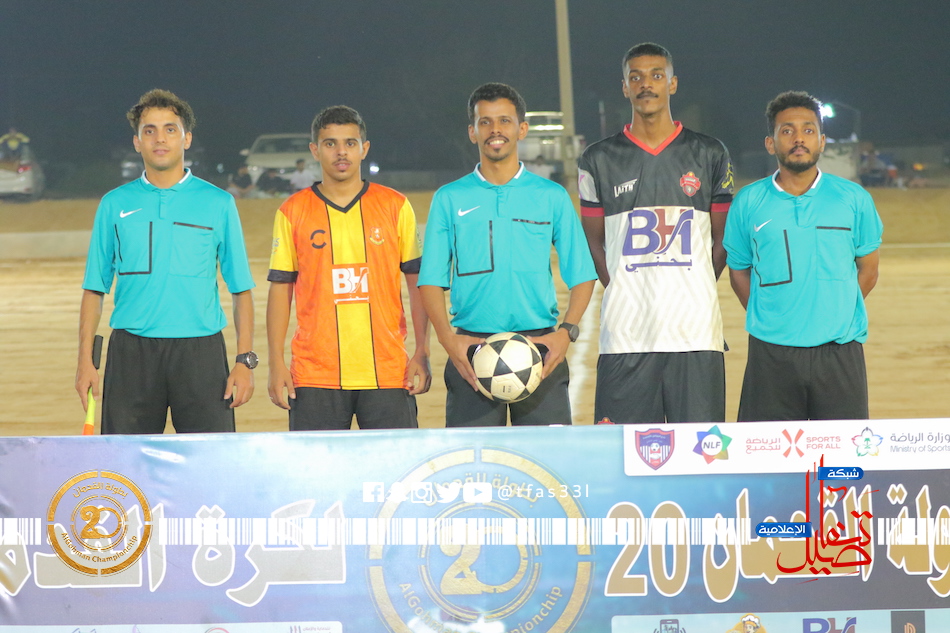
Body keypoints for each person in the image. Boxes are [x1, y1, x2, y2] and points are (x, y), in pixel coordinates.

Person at [75, 89, 256, 434]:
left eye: (170, 129)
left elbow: (241, 290)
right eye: (150, 130)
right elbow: (94, 289)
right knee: (127, 463)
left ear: (187, 139)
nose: (160, 138)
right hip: (131, 354)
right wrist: (85, 361)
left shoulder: (218, 203)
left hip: (201, 352)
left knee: (208, 462)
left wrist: (244, 361)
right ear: (137, 142)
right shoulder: (114, 204)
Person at [418, 83, 596, 427]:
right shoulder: (449, 198)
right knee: (475, 458)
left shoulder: (551, 196)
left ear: (522, 129)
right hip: (472, 351)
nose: (495, 130)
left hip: (540, 349)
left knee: (546, 457)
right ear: (472, 132)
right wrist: (448, 340)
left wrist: (566, 333)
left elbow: (583, 274)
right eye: (484, 122)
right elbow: (430, 281)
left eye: (504, 121)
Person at [578, 43, 735, 424]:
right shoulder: (598, 159)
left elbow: (723, 242)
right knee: (621, 454)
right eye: (635, 77)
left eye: (656, 75)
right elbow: (594, 244)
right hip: (626, 336)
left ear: (672, 84)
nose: (645, 84)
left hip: (695, 335)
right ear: (624, 87)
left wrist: (695, 282)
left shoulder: (710, 153)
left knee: (700, 454)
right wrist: (623, 286)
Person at [267, 105, 430, 430]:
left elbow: (417, 284)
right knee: (316, 465)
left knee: (393, 464)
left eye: (350, 143)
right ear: (315, 150)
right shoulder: (292, 211)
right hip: (315, 375)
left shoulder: (395, 206)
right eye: (330, 143)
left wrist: (422, 351)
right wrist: (275, 363)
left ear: (364, 149)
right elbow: (281, 289)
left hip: (387, 371)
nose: (341, 152)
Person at [723, 91, 882, 421]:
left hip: (839, 350)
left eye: (808, 130)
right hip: (771, 351)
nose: (799, 139)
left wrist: (838, 310)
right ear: (771, 144)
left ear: (822, 141)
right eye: (787, 131)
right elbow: (738, 270)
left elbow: (868, 269)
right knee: (767, 451)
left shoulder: (854, 198)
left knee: (841, 452)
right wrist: (770, 314)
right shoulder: (748, 201)